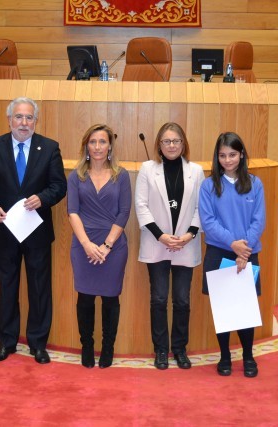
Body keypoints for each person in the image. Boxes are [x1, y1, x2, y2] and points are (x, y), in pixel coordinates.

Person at [0, 97, 67, 365]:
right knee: (7, 287)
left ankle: (38, 344)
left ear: (36, 121)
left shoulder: (49, 148)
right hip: (4, 230)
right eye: (19, 117)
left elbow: (59, 186)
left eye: (29, 118)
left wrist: (43, 198)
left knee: (40, 288)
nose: (24, 123)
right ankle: (6, 342)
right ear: (9, 120)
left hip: (36, 231)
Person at [134, 122, 204, 370]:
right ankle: (161, 350)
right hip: (157, 244)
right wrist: (161, 235)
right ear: (159, 145)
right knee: (159, 299)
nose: (171, 145)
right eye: (166, 141)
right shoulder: (147, 169)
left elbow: (200, 207)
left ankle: (180, 349)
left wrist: (189, 235)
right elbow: (141, 205)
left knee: (182, 301)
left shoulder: (196, 171)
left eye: (176, 141)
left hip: (186, 244)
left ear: (183, 144)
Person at [199, 131, 265, 378]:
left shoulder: (255, 184)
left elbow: (259, 220)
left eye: (233, 155)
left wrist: (243, 249)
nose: (228, 160)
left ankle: (248, 356)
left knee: (245, 308)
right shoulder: (208, 186)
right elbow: (208, 222)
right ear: (217, 157)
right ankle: (225, 356)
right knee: (223, 309)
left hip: (248, 253)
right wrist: (233, 244)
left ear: (242, 155)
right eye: (223, 155)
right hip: (219, 251)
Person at [67, 124, 131, 369]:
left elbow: (124, 212)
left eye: (102, 142)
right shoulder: (75, 176)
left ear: (110, 146)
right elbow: (72, 211)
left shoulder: (121, 175)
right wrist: (87, 245)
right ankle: (86, 345)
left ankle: (107, 347)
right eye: (92, 142)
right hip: (83, 244)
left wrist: (106, 245)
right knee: (84, 297)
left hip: (113, 247)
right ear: (86, 146)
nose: (97, 147)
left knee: (110, 298)